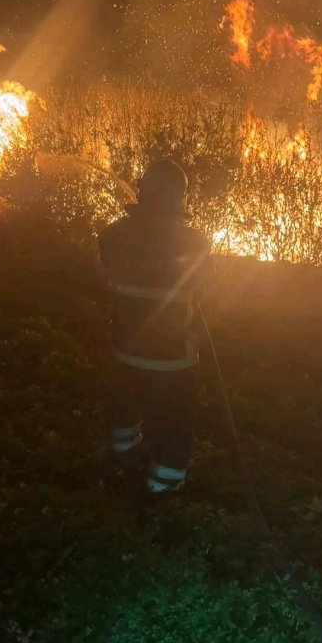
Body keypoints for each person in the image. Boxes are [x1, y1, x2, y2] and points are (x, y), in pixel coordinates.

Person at [98, 158, 213, 494]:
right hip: (174, 363)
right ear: (181, 198)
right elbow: (209, 286)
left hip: (125, 352)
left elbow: (102, 277)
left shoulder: (112, 235)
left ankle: (122, 459)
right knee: (174, 424)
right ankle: (163, 490)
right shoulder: (196, 242)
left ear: (140, 191)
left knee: (123, 409)